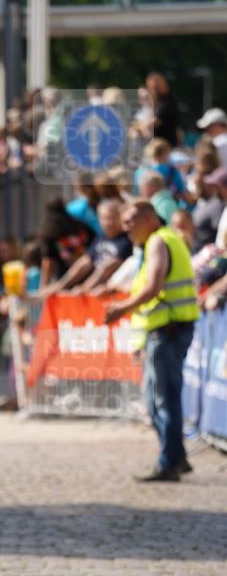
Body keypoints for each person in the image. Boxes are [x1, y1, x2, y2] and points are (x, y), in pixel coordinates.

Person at [105, 200, 200, 481]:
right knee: (157, 398)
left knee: (162, 400)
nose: (126, 227)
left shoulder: (159, 241)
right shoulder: (160, 241)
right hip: (165, 330)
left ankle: (168, 463)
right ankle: (177, 457)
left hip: (168, 331)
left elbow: (153, 286)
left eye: (131, 220)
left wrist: (122, 308)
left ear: (148, 218)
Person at [43, 199, 131, 296]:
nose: (108, 222)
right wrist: (61, 285)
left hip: (109, 292)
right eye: (104, 218)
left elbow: (107, 269)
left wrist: (85, 288)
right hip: (91, 290)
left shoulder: (127, 239)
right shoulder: (101, 237)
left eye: (112, 218)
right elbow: (85, 262)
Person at [38, 197, 95, 289]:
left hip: (65, 279)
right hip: (88, 277)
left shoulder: (49, 233)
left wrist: (44, 287)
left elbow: (48, 262)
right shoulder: (82, 226)